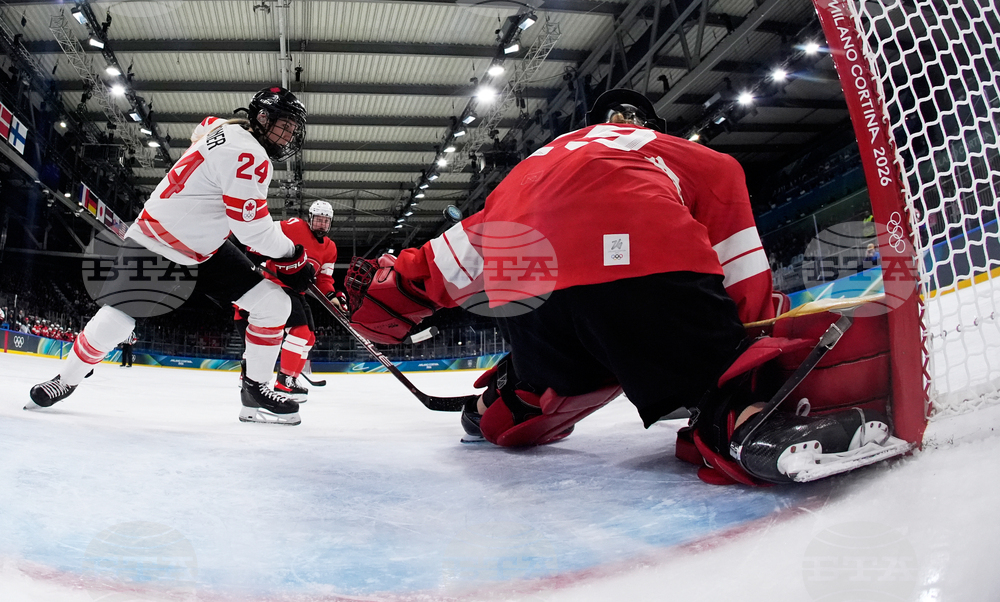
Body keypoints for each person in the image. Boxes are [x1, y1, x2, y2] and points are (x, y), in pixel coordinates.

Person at [345, 89, 895, 484]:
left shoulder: (530, 168)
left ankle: (501, 404)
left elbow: (457, 252)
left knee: (546, 381)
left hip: (530, 298)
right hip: (642, 274)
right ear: (649, 124)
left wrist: (396, 301)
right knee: (715, 382)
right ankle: (749, 426)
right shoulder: (671, 150)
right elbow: (737, 244)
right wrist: (742, 343)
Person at [25, 87, 316, 425]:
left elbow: (203, 127)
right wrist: (293, 255)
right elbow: (252, 232)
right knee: (117, 320)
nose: (289, 134)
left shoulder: (225, 128)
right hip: (157, 244)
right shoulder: (250, 155)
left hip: (204, 249)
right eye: (285, 125)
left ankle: (255, 388)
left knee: (274, 304)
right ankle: (67, 379)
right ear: (262, 119)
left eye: (294, 128)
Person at [234, 199, 344, 401]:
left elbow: (324, 279)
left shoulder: (330, 248)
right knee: (299, 332)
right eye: (319, 220)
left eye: (326, 221)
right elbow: (263, 236)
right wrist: (254, 256)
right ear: (310, 218)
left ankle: (290, 377)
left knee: (309, 338)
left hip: (297, 292)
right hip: (277, 286)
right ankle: (284, 382)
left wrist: (332, 296)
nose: (322, 225)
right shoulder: (293, 226)